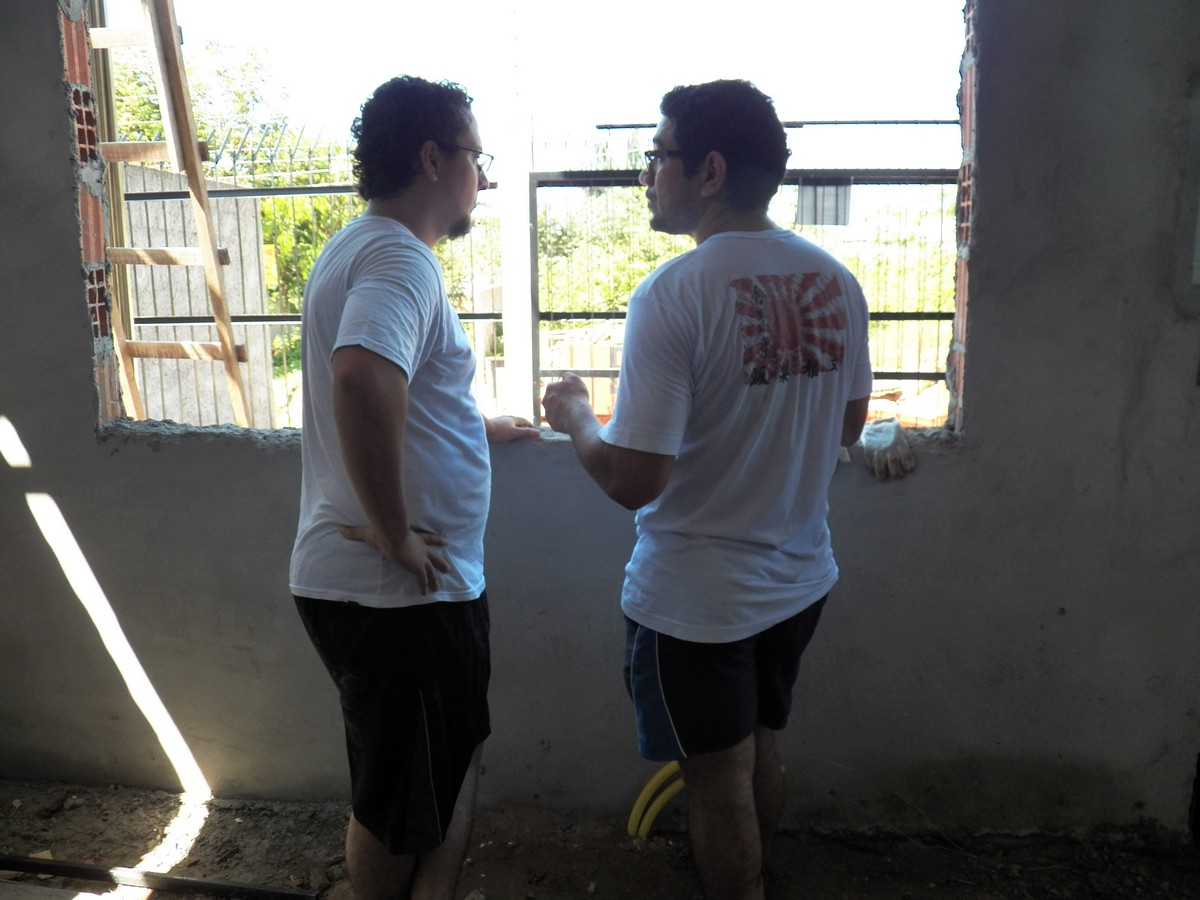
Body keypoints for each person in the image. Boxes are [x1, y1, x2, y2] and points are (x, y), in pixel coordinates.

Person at [541, 80, 874, 900]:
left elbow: (633, 479)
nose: (647, 173)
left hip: (697, 604)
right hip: (798, 581)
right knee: (758, 749)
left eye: (658, 155)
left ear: (710, 171)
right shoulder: (836, 280)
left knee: (717, 780)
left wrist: (575, 415)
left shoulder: (674, 293)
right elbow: (849, 425)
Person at [289, 75, 538, 900]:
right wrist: (394, 533)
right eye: (476, 157)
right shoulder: (401, 256)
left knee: (433, 772)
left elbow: (401, 381)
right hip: (398, 592)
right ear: (433, 159)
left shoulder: (359, 245)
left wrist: (469, 424)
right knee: (400, 804)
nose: (483, 177)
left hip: (397, 591)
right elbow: (361, 378)